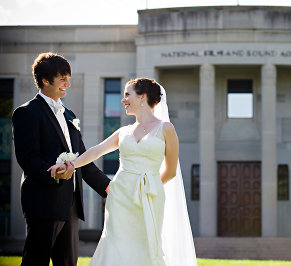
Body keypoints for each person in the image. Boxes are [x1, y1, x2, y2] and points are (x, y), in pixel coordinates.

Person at [49, 78, 197, 266]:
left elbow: (171, 171)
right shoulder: (124, 131)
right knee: (116, 244)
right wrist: (71, 165)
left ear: (142, 97)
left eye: (127, 94)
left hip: (150, 197)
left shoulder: (166, 129)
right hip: (119, 196)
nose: (123, 99)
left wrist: (148, 188)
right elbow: (96, 150)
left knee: (146, 245)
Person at [12, 52, 111, 266]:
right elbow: (27, 158)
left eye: (68, 77)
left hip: (71, 204)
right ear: (45, 80)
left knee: (67, 263)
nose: (68, 83)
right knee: (35, 261)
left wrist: (109, 188)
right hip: (43, 201)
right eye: (62, 78)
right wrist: (52, 172)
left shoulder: (69, 114)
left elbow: (83, 160)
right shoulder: (26, 113)